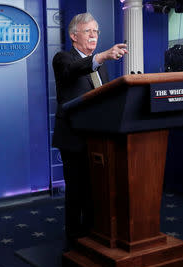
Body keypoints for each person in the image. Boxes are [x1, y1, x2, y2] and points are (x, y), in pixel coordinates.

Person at [52, 13, 128, 250]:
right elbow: (74, 70)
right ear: (74, 36)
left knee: (97, 189)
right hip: (74, 138)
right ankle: (75, 240)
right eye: (88, 31)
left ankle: (94, 233)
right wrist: (102, 56)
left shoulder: (101, 67)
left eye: (96, 31)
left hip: (100, 139)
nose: (94, 35)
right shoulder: (63, 59)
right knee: (77, 191)